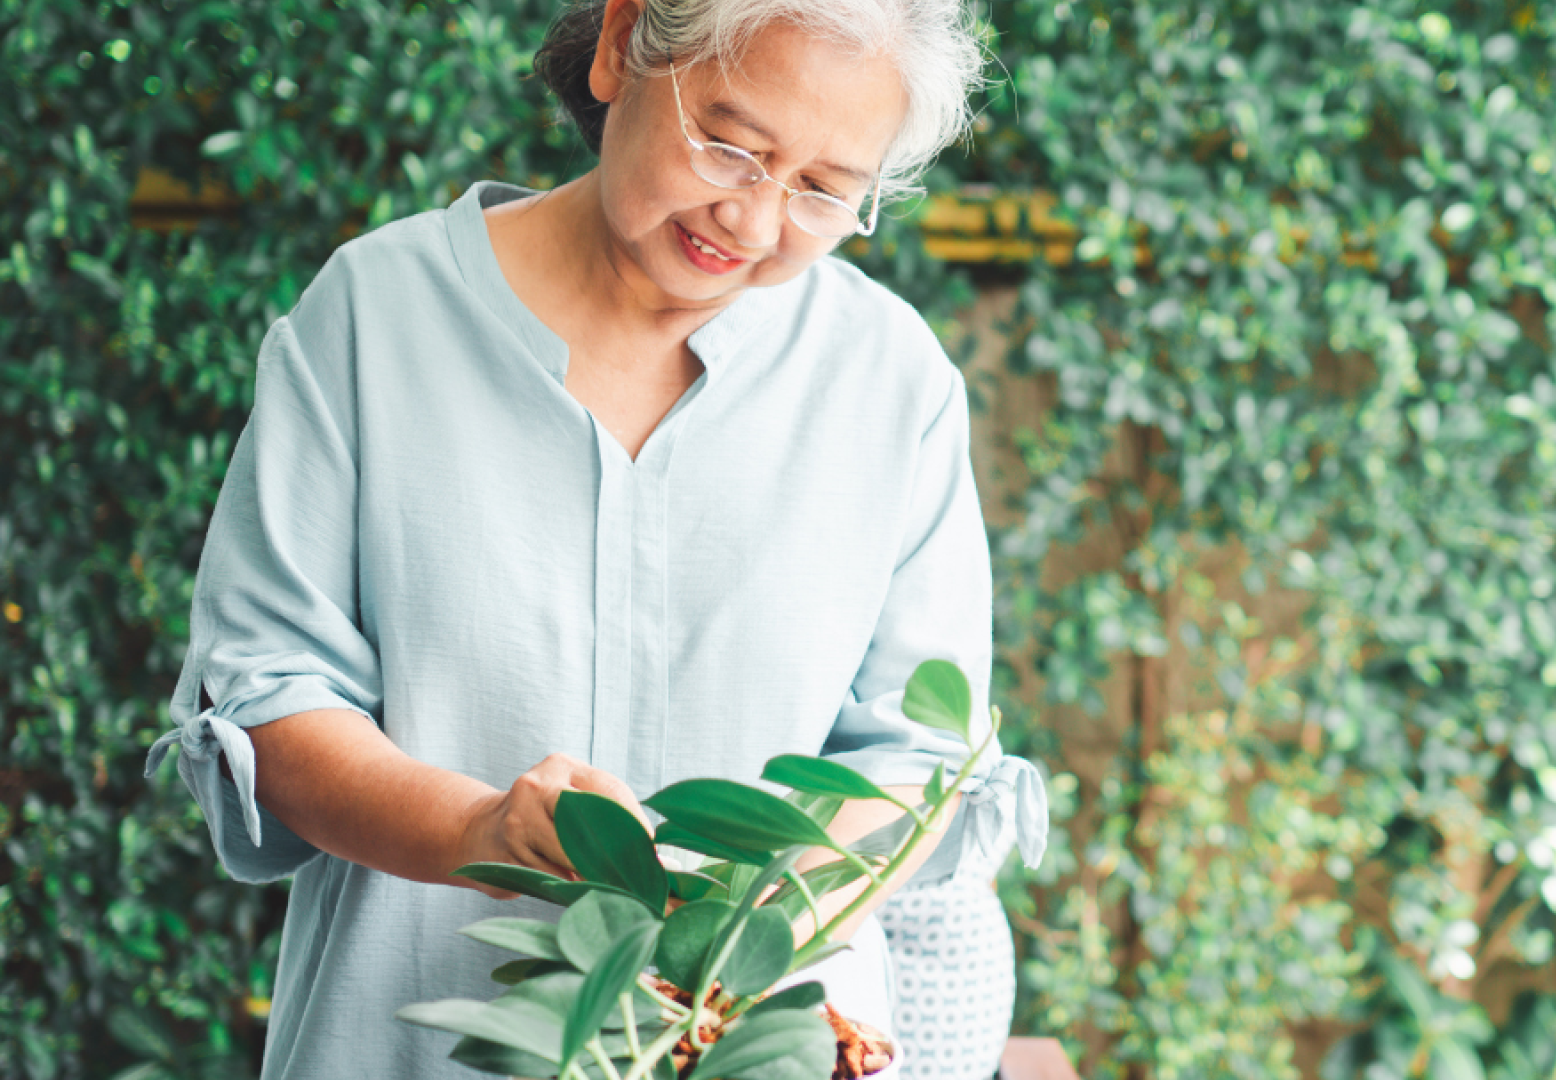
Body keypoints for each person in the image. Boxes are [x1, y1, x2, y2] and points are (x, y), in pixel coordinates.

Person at [143, 1, 1046, 1077]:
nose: (754, 223)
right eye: (731, 144)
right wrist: (479, 834)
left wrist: (724, 952)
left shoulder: (892, 382)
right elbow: (266, 701)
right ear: (623, 44)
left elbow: (916, 764)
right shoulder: (375, 317)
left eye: (822, 190)